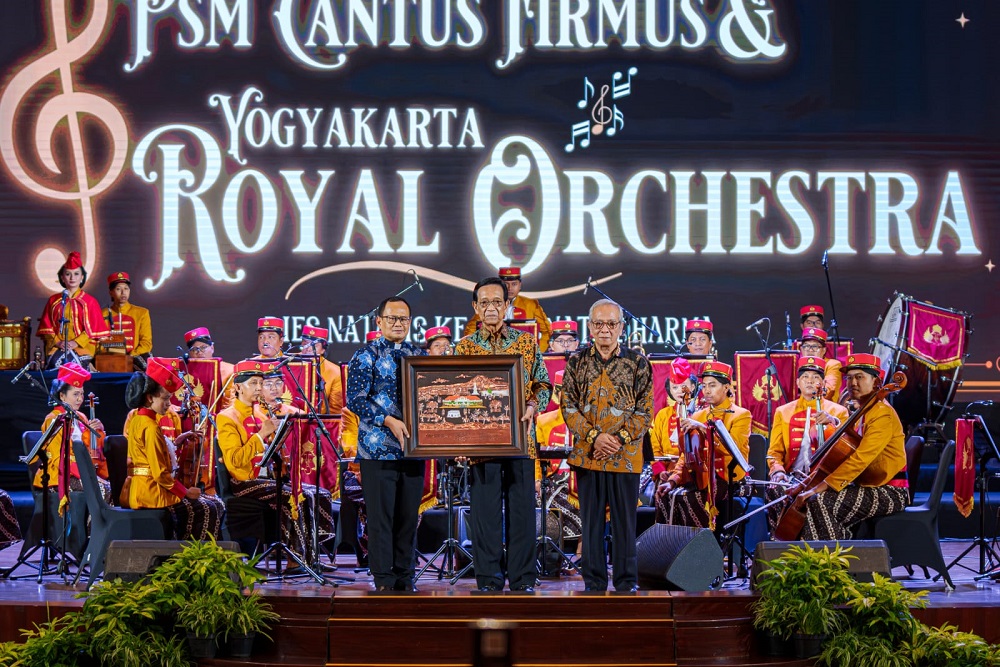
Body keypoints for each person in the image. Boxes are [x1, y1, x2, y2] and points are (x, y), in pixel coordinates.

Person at [455, 277, 551, 592]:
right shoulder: (464, 347)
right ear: (475, 307)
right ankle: (489, 579)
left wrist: (534, 404)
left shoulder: (526, 342)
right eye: (485, 303)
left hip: (521, 439)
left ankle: (523, 578)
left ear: (507, 305)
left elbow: (543, 384)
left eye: (498, 302)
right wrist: (457, 438)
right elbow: (453, 395)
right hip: (481, 443)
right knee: (485, 515)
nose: (492, 308)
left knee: (522, 512)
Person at [561, 299, 652, 592]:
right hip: (588, 456)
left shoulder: (638, 363)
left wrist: (617, 441)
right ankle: (594, 582)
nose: (605, 330)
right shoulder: (576, 362)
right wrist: (594, 438)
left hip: (625, 458)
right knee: (591, 524)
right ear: (590, 326)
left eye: (611, 324)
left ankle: (626, 582)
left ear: (621, 328)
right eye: (599, 324)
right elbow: (568, 407)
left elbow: (644, 411)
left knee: (625, 523)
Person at [346, 297, 425, 592]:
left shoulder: (418, 355)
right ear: (378, 321)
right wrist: (387, 420)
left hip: (414, 451)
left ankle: (405, 576)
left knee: (408, 518)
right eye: (391, 318)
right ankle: (383, 578)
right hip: (377, 450)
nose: (397, 324)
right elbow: (356, 399)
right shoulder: (365, 355)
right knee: (381, 518)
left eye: (403, 319)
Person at [790, 353, 908, 541]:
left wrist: (819, 487)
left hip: (889, 491)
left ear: (876, 382)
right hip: (867, 486)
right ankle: (825, 557)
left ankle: (839, 562)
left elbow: (860, 458)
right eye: (850, 377)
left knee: (818, 502)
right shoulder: (864, 411)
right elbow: (850, 442)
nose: (853, 382)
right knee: (811, 502)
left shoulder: (882, 414)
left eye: (859, 377)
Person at [216, 359, 309, 557]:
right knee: (290, 496)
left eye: (260, 383)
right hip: (243, 481)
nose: (259, 388)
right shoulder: (227, 417)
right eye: (253, 384)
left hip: (265, 478)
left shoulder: (259, 413)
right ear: (238, 387)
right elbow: (234, 460)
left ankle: (310, 554)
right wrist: (260, 435)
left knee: (310, 492)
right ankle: (293, 555)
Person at [124, 357, 224, 539]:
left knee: (212, 505)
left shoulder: (140, 419)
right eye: (165, 398)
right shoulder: (151, 426)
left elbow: (150, 453)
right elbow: (160, 473)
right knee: (209, 508)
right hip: (151, 493)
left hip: (146, 489)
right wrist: (185, 492)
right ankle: (191, 558)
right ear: (149, 397)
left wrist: (177, 442)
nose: (169, 404)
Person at [656, 361, 750, 530]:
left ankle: (699, 552)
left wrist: (703, 428)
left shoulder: (741, 415)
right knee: (664, 495)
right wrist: (673, 480)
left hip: (726, 477)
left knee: (694, 498)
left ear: (727, 387)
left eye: (712, 385)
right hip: (700, 475)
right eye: (704, 385)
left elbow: (730, 449)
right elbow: (687, 455)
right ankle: (669, 550)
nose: (706, 390)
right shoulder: (699, 414)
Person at [763, 356, 850, 533]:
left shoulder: (838, 411)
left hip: (823, 478)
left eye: (816, 377)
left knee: (817, 500)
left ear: (824, 382)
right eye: (805, 377)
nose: (810, 381)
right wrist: (777, 471)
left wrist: (833, 422)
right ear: (797, 383)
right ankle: (779, 543)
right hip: (792, 477)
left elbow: (847, 443)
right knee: (775, 492)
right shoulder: (783, 412)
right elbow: (774, 452)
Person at [35, 362, 111, 506]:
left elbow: (91, 449)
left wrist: (100, 431)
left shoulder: (81, 417)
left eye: (82, 394)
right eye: (75, 394)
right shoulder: (53, 419)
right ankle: (93, 528)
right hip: (61, 474)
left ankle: (99, 528)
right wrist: (87, 474)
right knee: (103, 489)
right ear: (62, 396)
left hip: (80, 470)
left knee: (110, 486)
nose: (80, 399)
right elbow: (58, 458)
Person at [37, 251, 110, 368]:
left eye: (76, 274)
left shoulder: (90, 301)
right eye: (68, 274)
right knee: (55, 364)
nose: (72, 278)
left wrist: (75, 342)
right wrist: (58, 342)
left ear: (82, 277)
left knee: (68, 366)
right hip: (57, 347)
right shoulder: (54, 301)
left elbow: (93, 330)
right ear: (62, 277)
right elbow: (47, 327)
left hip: (83, 348)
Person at [463, 267, 553, 352]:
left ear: (520, 285)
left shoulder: (530, 304)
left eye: (514, 284)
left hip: (522, 354)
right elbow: (470, 331)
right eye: (506, 284)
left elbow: (548, 332)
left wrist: (535, 351)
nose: (509, 288)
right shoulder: (488, 304)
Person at [649, 368, 699, 492]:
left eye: (683, 386)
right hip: (667, 471)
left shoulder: (700, 413)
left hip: (694, 473)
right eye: (674, 387)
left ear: (693, 387)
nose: (679, 391)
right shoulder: (663, 414)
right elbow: (654, 447)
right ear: (669, 391)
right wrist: (660, 471)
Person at [99, 272, 152, 365]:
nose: (123, 292)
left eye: (126, 288)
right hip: (110, 360)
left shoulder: (142, 313)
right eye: (118, 289)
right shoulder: (102, 314)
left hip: (134, 358)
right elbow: (98, 340)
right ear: (111, 292)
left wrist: (132, 355)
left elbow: (146, 343)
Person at [183, 326, 235, 410]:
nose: (199, 352)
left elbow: (231, 404)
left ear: (212, 348)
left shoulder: (229, 370)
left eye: (203, 347)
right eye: (194, 349)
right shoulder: (185, 371)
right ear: (189, 353)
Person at [299, 324, 344, 415]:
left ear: (323, 350)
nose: (308, 349)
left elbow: (335, 410)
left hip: (320, 422)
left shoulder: (334, 372)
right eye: (305, 344)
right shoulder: (289, 363)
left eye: (314, 346)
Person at [798, 327, 843, 402]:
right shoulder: (797, 365)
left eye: (815, 346)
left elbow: (828, 391)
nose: (810, 350)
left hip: (825, 410)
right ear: (801, 349)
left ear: (824, 350)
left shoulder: (832, 365)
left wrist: (809, 401)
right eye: (806, 346)